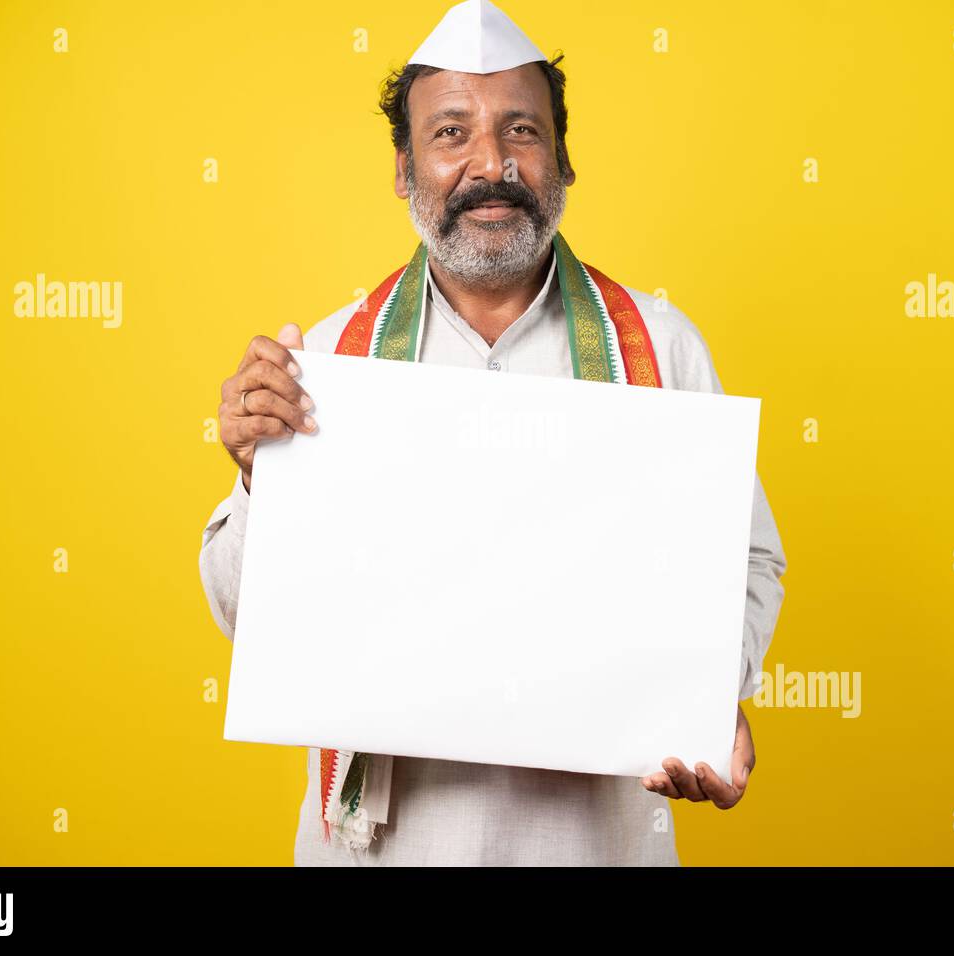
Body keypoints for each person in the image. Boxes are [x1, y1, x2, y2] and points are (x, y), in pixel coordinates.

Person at [199, 0, 787, 866]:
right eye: (450, 134)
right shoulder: (329, 360)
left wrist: (698, 692)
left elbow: (749, 559)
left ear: (563, 160)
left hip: (597, 843)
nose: (492, 164)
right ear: (403, 170)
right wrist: (257, 476)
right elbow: (245, 616)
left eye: (522, 130)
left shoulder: (659, 347)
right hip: (384, 848)